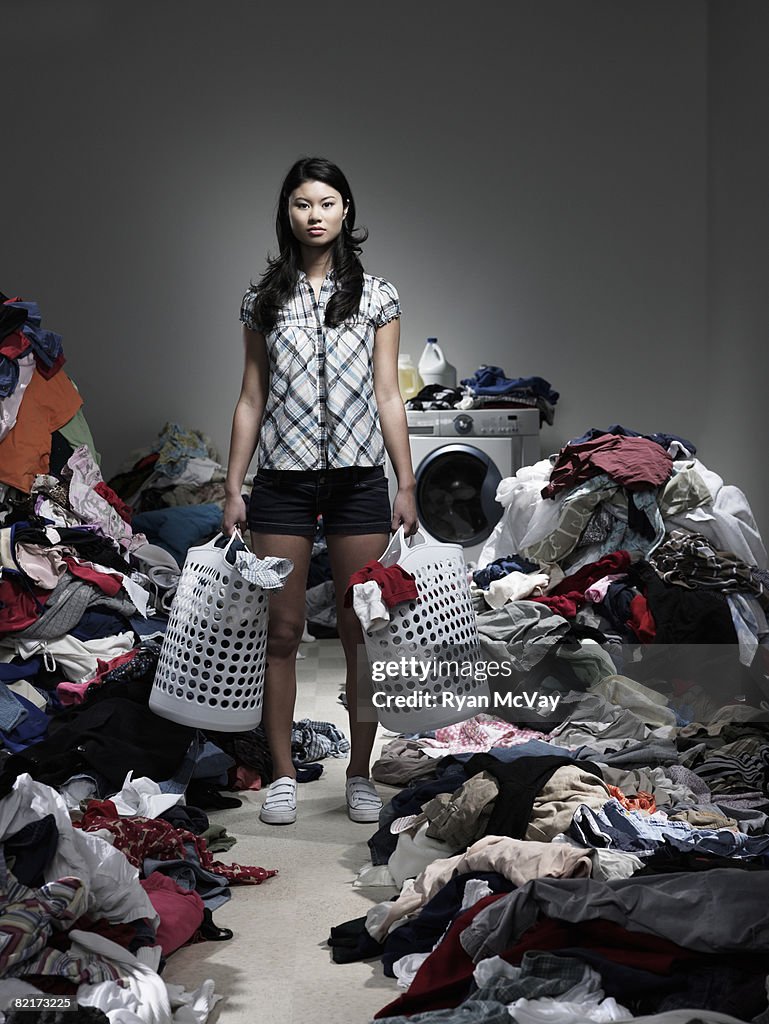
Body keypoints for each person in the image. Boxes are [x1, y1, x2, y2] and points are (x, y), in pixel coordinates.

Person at [222, 156, 418, 826]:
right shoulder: (262, 301)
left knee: (361, 630)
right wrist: (233, 485)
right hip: (280, 479)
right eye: (303, 203)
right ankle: (281, 776)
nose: (315, 215)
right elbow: (251, 398)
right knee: (280, 630)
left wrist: (406, 482)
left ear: (346, 212)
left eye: (328, 202)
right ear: (287, 213)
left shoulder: (379, 296)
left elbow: (390, 394)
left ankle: (359, 775)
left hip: (360, 479)